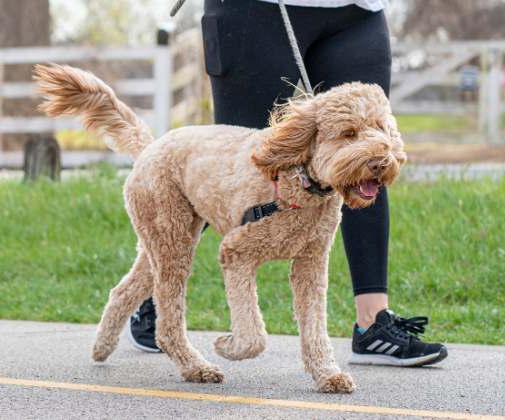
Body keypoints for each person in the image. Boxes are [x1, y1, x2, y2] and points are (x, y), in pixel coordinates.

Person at [128, 0, 447, 367]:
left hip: (358, 10)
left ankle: (372, 324)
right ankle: (156, 300)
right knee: (232, 172)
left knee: (364, 159)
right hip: (257, 9)